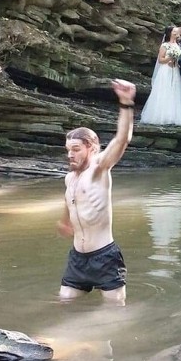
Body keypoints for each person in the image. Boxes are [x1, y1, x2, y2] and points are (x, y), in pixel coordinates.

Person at [57, 79, 137, 306]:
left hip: (105, 257)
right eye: (68, 150)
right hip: (78, 258)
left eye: (76, 149)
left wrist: (126, 104)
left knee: (113, 314)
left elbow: (122, 140)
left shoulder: (99, 169)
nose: (70, 155)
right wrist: (65, 221)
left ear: (91, 148)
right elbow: (70, 200)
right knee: (65, 305)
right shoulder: (70, 178)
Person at [139, 27, 181, 127]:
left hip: (175, 70)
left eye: (176, 31)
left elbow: (178, 58)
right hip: (165, 70)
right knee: (164, 90)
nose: (176, 33)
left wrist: (176, 61)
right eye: (174, 31)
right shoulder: (165, 45)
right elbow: (160, 60)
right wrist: (169, 58)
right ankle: (160, 116)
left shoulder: (178, 45)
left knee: (174, 91)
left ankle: (173, 116)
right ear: (170, 33)